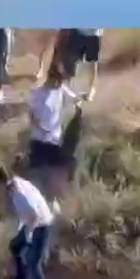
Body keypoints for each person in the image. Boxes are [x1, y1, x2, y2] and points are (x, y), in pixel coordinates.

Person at [0, 165, 55, 279]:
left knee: (33, 261)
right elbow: (25, 213)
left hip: (41, 224)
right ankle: (21, 277)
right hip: (33, 222)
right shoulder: (16, 183)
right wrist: (21, 231)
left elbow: (33, 214)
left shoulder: (18, 193)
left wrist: (29, 236)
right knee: (14, 245)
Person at [27, 66, 83, 206]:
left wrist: (79, 103)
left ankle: (54, 202)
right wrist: (41, 128)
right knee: (37, 174)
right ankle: (37, 203)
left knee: (57, 172)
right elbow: (31, 116)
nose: (58, 85)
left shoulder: (60, 90)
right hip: (39, 140)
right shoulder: (37, 93)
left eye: (60, 82)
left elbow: (75, 98)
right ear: (50, 78)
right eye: (57, 82)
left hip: (54, 140)